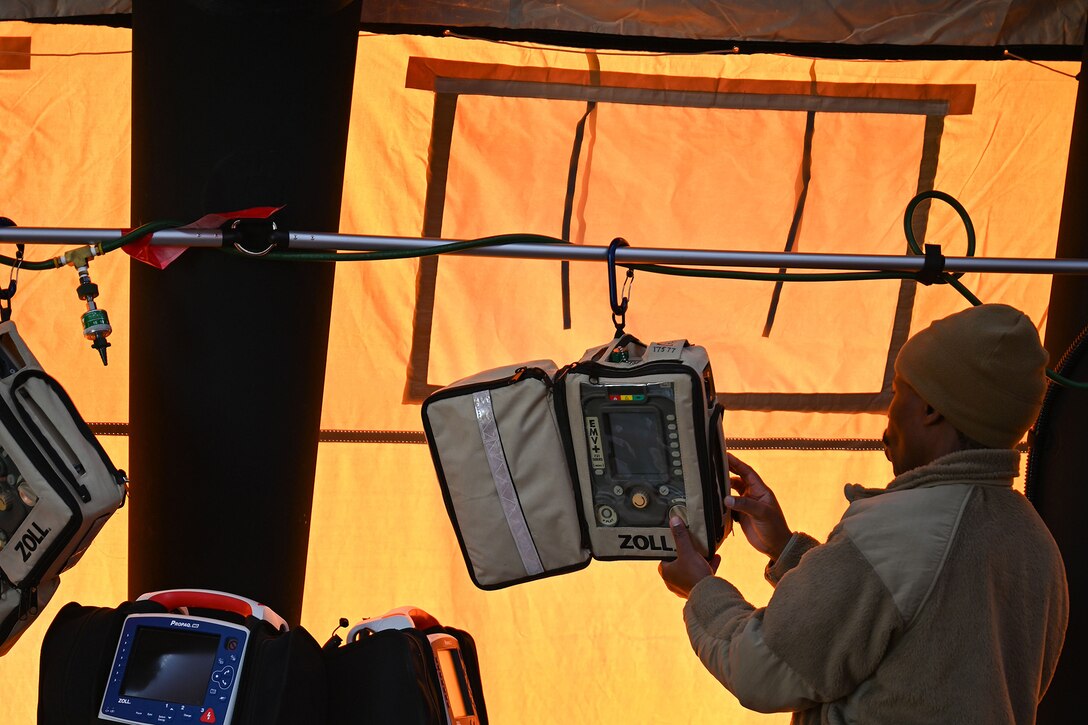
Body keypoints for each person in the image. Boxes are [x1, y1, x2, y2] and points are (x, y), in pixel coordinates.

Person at [659, 303, 1069, 724]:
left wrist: (701, 588)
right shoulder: (1038, 546)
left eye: (899, 391)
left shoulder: (900, 529)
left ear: (931, 409)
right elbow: (910, 629)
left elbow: (761, 668)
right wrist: (785, 548)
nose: (889, 413)